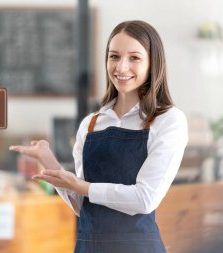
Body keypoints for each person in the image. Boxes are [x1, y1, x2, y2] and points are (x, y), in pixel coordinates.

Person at [10, 20, 188, 253]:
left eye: (134, 58)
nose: (121, 67)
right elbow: (83, 205)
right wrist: (48, 159)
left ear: (153, 63)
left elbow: (144, 199)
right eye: (114, 56)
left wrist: (81, 186)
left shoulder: (168, 120)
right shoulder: (91, 124)